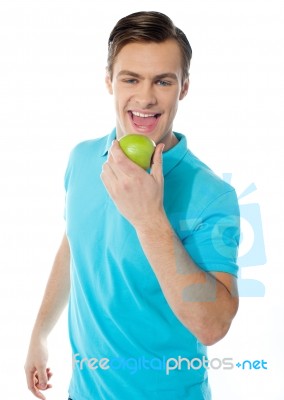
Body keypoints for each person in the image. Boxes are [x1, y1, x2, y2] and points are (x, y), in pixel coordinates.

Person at [24, 10, 240, 400]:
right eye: (131, 79)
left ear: (184, 87)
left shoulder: (211, 194)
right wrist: (39, 335)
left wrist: (149, 219)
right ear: (109, 81)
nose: (145, 97)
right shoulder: (82, 159)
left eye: (163, 81)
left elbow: (213, 326)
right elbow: (75, 245)